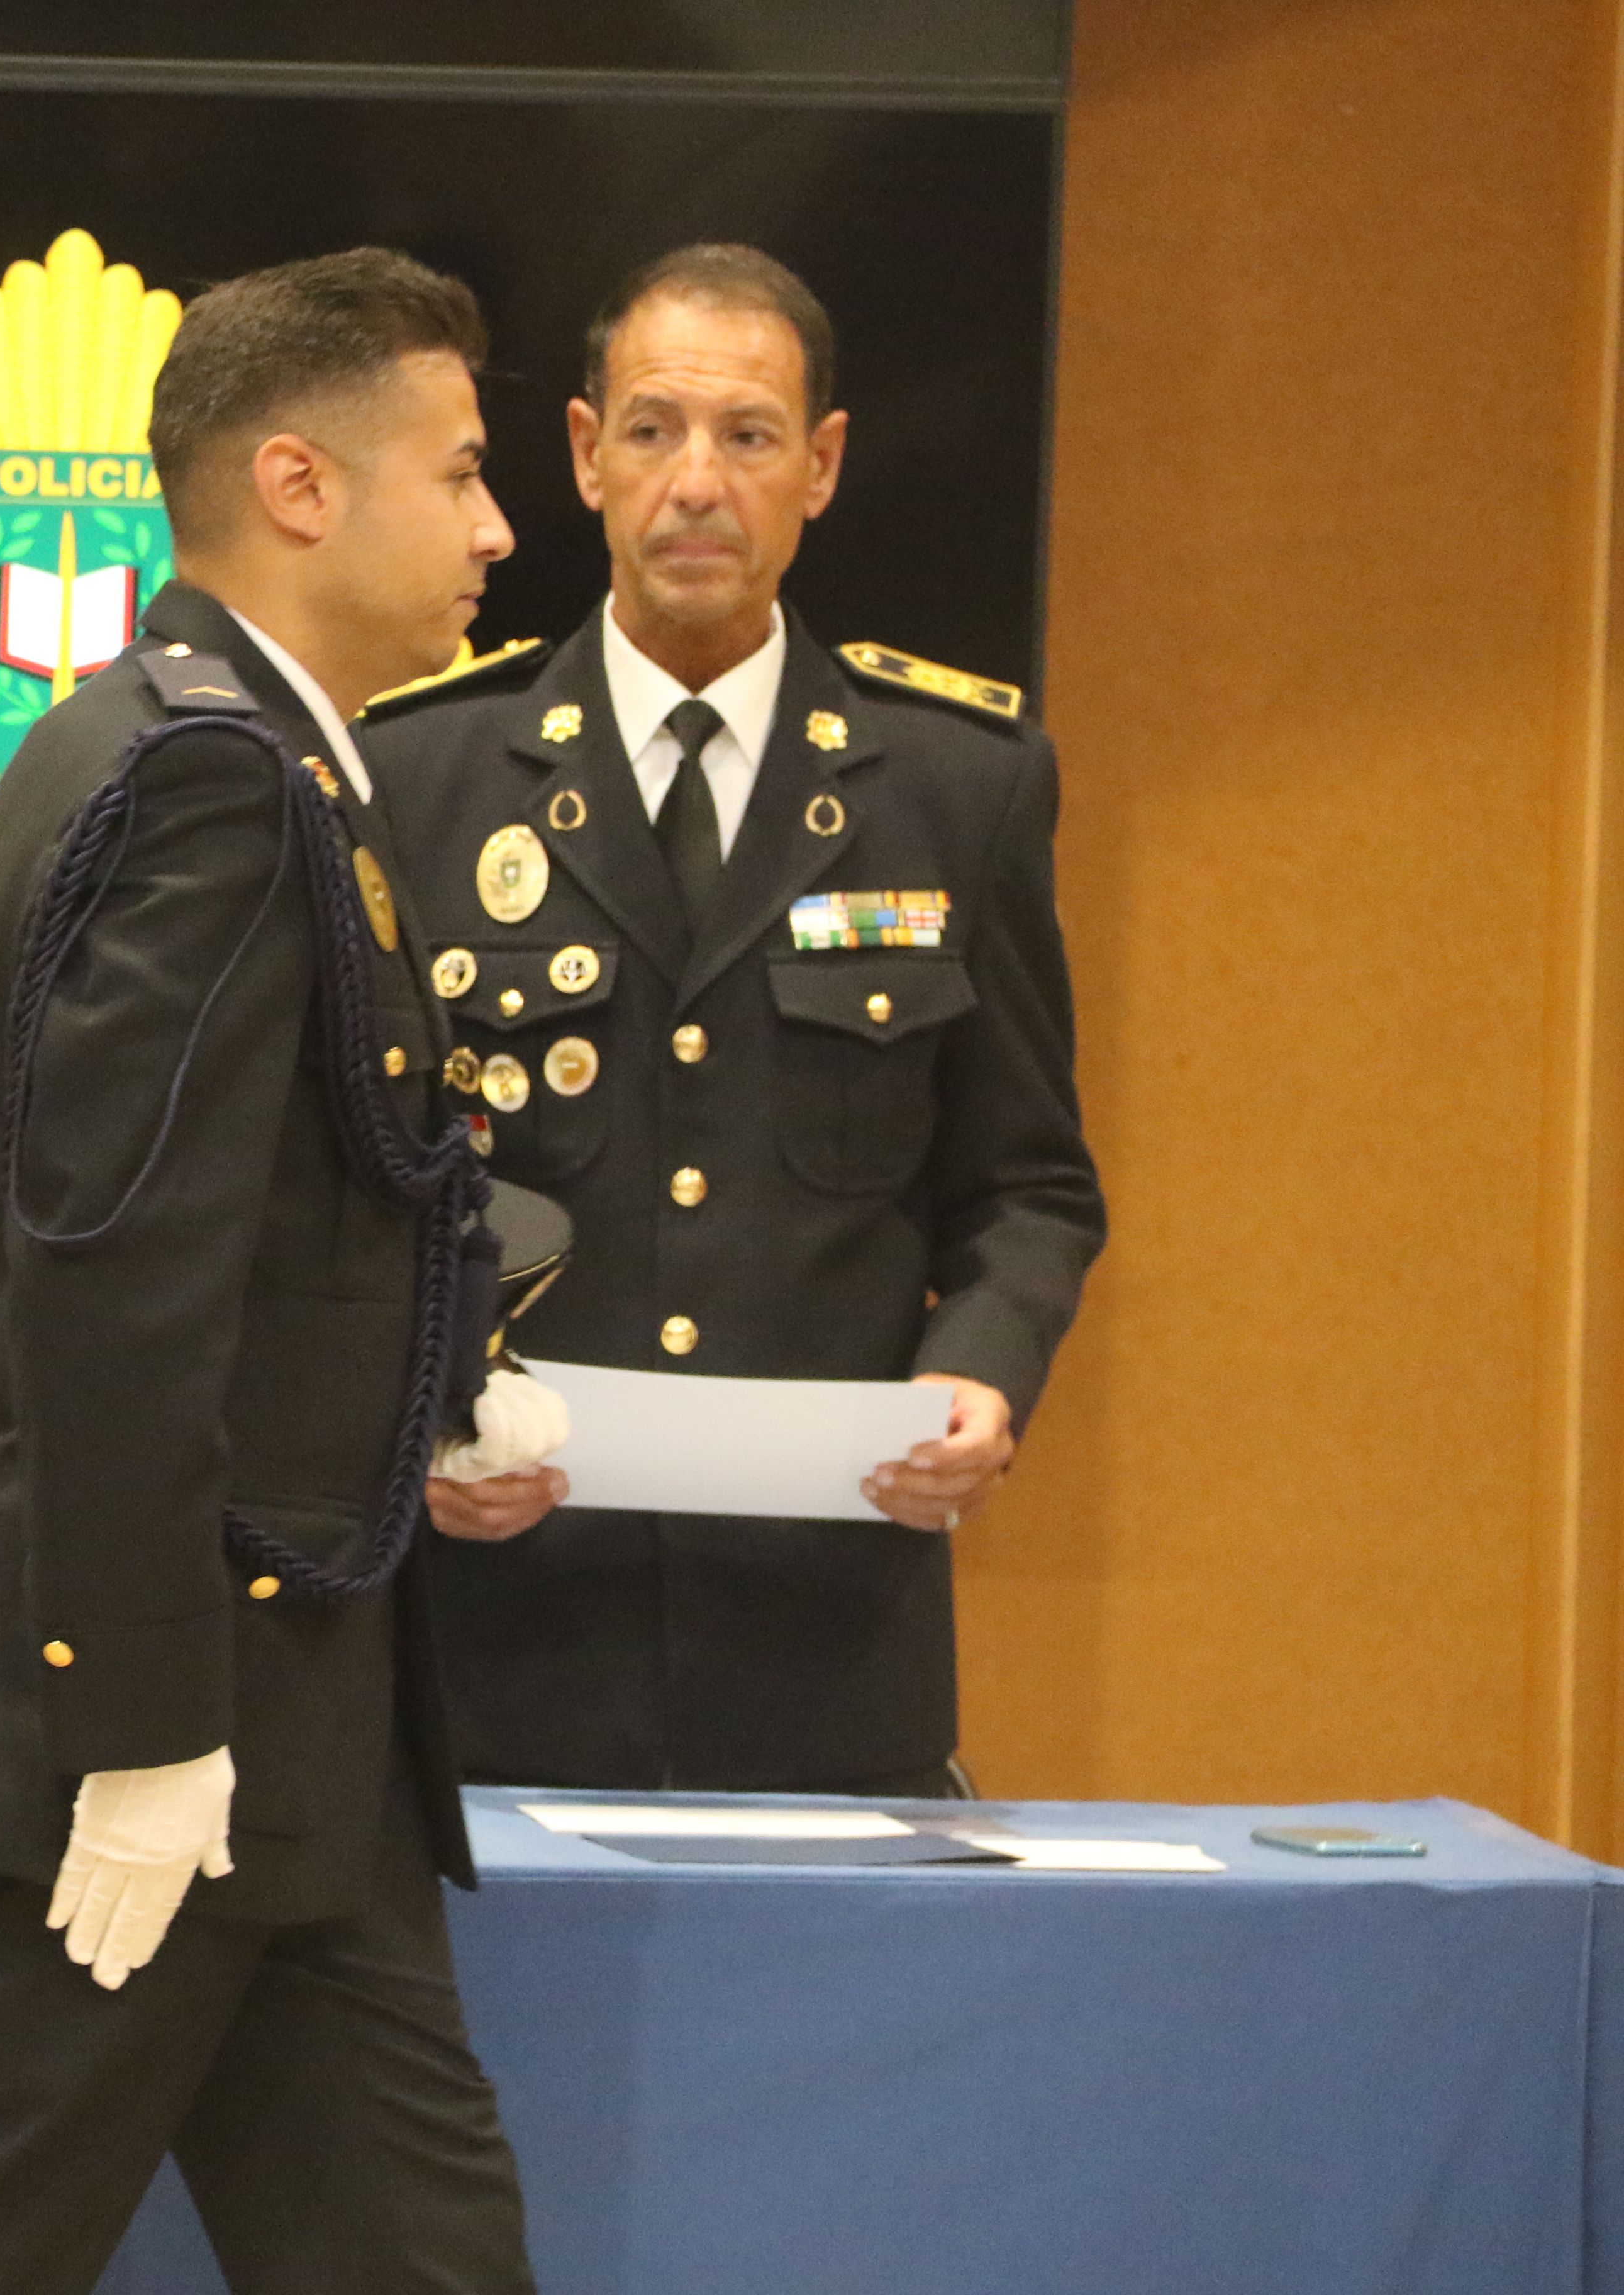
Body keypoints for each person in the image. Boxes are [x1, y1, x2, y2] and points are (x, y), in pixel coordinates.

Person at [0, 250, 552, 2295]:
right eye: (465, 470)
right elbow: (108, 1278)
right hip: (157, 1728)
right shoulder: (221, 778)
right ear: (300, 482)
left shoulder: (146, 738)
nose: (498, 526)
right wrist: (139, 1729)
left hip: (296, 1709)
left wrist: (422, 1406)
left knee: (425, 2253)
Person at [367, 243, 1107, 1795]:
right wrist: (413, 1424)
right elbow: (346, 1185)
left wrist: (983, 1369)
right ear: (583, 455)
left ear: (821, 467)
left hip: (825, 1630)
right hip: (499, 1616)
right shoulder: (420, 774)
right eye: (652, 430)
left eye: (750, 436)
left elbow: (1027, 1184)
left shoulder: (961, 785)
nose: (697, 482)